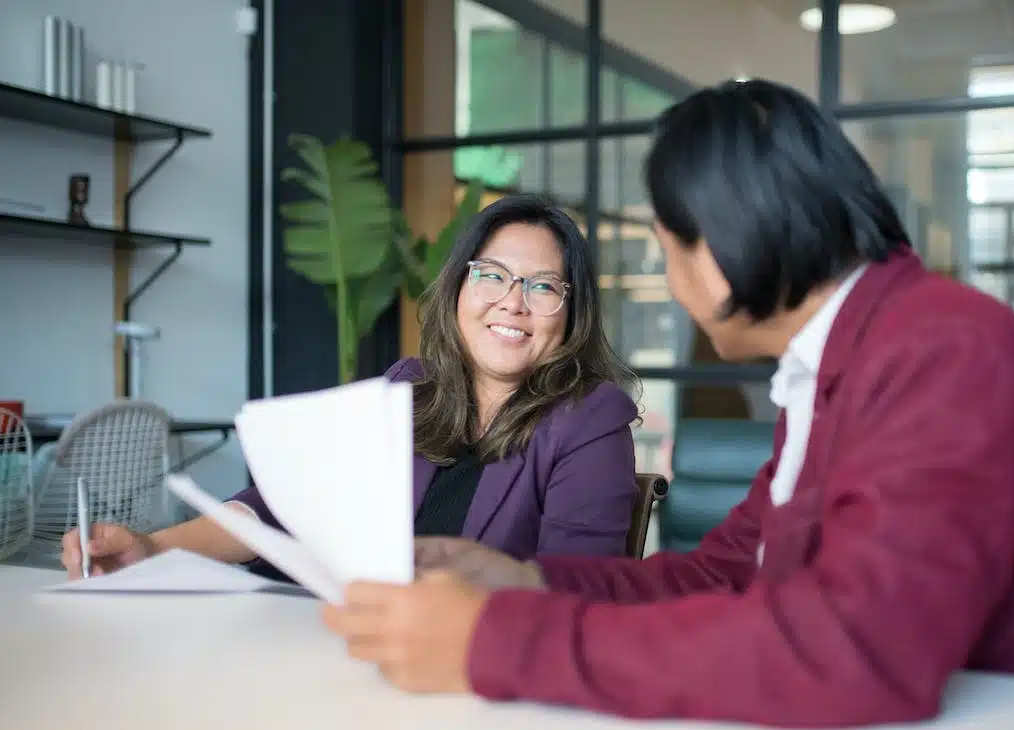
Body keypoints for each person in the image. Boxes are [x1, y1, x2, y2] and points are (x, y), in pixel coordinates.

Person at [321, 80, 1014, 728]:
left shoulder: (942, 347)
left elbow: (856, 651)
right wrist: (524, 579)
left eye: (669, 252)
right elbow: (724, 572)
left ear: (727, 246)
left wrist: (492, 641)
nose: (672, 284)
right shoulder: (838, 362)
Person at [61, 195, 641, 578]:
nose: (511, 302)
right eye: (491, 275)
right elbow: (279, 509)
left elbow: (575, 589)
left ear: (571, 312)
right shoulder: (409, 391)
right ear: (459, 289)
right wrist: (154, 550)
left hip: (475, 679)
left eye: (543, 287)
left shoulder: (591, 419)